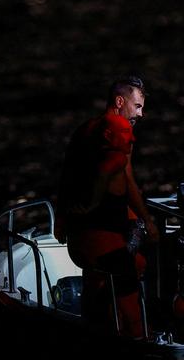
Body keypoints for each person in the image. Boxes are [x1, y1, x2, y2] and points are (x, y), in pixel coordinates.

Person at [58, 76, 160, 337]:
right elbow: (118, 175)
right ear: (119, 101)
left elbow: (67, 176)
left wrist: (62, 218)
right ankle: (140, 342)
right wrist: (147, 219)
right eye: (137, 106)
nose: (141, 113)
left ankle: (92, 331)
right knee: (129, 285)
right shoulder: (118, 127)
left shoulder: (85, 129)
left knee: (101, 278)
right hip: (102, 233)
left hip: (79, 235)